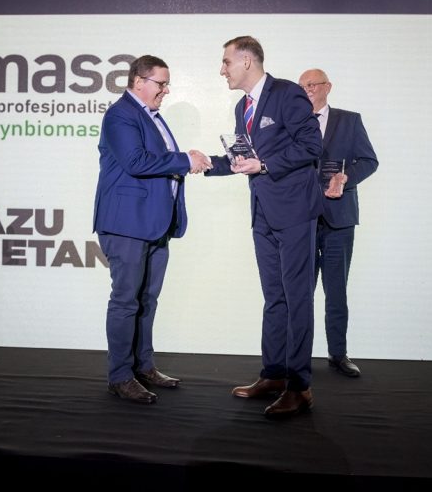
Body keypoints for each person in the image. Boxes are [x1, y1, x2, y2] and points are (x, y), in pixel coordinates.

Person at [205, 36, 323, 418]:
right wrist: (204, 163)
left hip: (295, 212)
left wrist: (266, 165)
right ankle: (273, 375)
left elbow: (312, 145)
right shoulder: (243, 107)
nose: (222, 70)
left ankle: (299, 386)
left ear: (247, 61)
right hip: (262, 214)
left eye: (226, 62)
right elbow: (244, 159)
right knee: (274, 297)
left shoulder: (287, 93)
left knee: (297, 298)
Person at [94, 54, 211, 404]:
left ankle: (143, 366)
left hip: (154, 224)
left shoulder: (151, 117)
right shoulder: (120, 115)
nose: (166, 90)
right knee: (126, 301)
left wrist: (187, 158)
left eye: (166, 83)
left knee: (147, 299)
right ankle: (120, 376)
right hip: (127, 224)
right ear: (138, 81)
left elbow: (158, 163)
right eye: (161, 83)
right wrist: (185, 160)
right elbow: (136, 162)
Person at [299, 68, 378, 378]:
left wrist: (346, 178)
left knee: (336, 291)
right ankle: (298, 354)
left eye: (312, 84)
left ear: (327, 87)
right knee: (300, 292)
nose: (307, 90)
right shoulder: (292, 123)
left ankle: (338, 353)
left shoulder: (349, 120)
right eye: (302, 86)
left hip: (339, 218)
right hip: (301, 220)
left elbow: (369, 161)